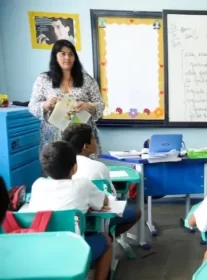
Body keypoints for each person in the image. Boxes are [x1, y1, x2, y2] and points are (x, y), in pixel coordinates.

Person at [28, 141, 112, 280]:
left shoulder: (37, 185)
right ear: (74, 168)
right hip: (73, 249)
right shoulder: (83, 184)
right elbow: (105, 201)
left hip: (41, 249)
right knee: (106, 241)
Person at [62, 123, 141, 237]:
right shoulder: (99, 167)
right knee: (135, 212)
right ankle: (108, 236)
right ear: (86, 146)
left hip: (69, 222)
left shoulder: (61, 166)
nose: (96, 142)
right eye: (93, 139)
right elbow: (111, 195)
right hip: (97, 218)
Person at [28, 39, 104, 152]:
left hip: (82, 138)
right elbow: (32, 106)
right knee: (58, 167)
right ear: (55, 56)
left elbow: (100, 105)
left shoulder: (87, 80)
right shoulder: (43, 79)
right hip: (54, 139)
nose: (67, 58)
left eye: (71, 54)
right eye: (63, 54)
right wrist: (46, 105)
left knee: (85, 168)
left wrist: (87, 106)